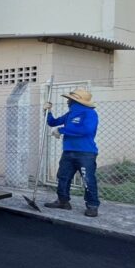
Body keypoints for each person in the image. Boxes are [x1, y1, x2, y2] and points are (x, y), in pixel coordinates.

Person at [43, 88, 100, 217]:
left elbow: (86, 130)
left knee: (88, 179)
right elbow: (53, 122)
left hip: (86, 153)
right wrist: (47, 111)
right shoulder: (69, 114)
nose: (68, 101)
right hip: (68, 152)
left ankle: (92, 206)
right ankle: (63, 202)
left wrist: (62, 130)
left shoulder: (89, 114)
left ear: (76, 101)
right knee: (63, 177)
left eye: (70, 99)